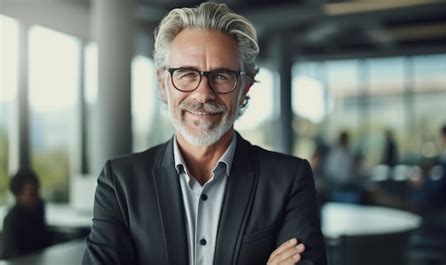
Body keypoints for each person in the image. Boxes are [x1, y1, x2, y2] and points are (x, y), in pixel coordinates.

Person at [82, 3, 327, 265]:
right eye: (187, 74)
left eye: (221, 76)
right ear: (163, 84)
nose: (203, 94)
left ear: (245, 86)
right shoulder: (120, 182)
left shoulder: (289, 180)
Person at [2, 169, 51, 259]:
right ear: (18, 195)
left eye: (37, 190)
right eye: (32, 192)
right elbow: (13, 256)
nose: (37, 196)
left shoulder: (37, 211)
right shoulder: (11, 220)